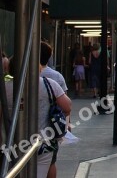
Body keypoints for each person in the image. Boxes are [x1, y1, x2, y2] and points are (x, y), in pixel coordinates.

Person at [39, 42, 72, 178]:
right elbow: (67, 107)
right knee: (51, 162)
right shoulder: (56, 77)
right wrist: (68, 123)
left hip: (18, 138)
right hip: (48, 132)